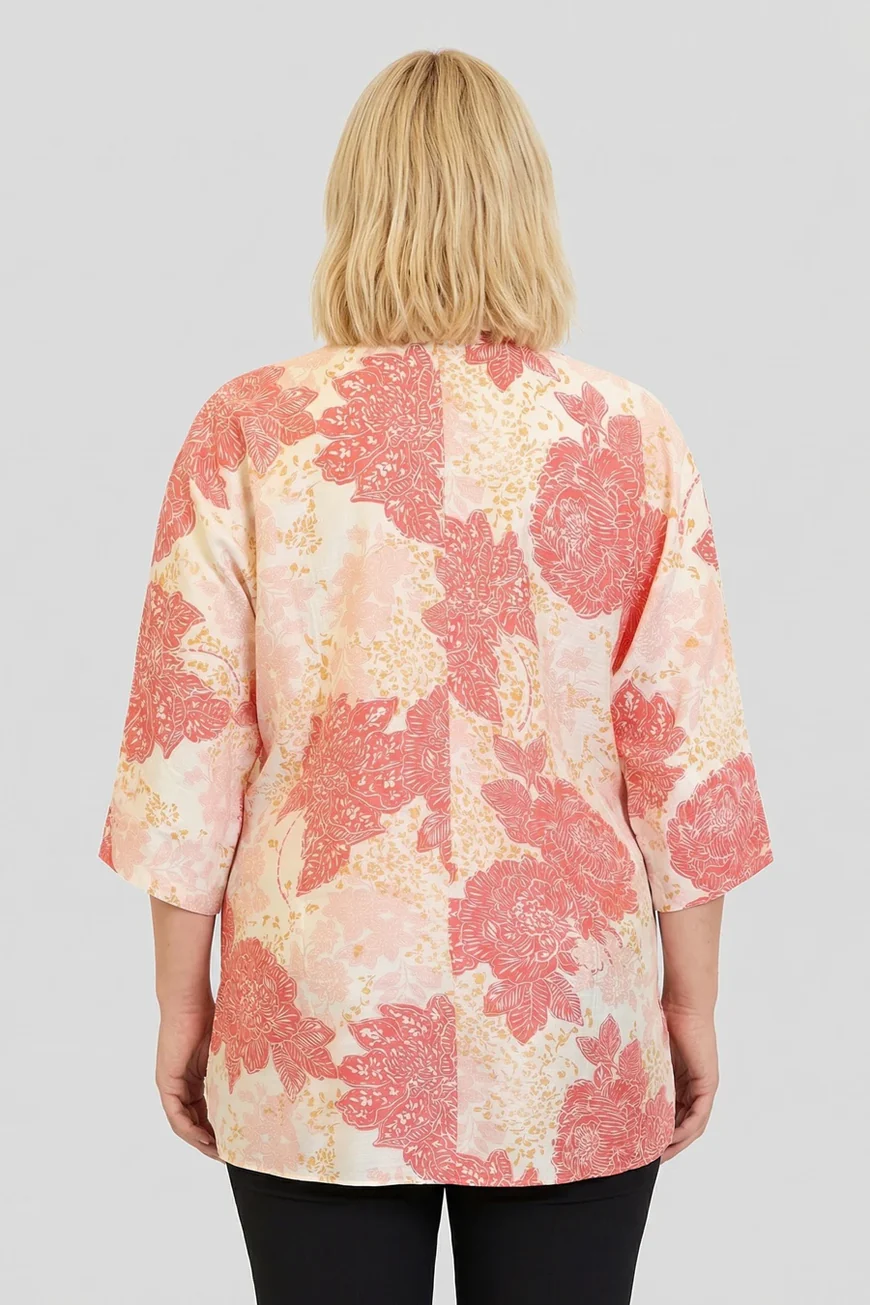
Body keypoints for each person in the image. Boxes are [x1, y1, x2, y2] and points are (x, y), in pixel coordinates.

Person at [99, 48, 773, 1305]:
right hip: (567, 1012)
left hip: (317, 1016)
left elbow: (186, 748)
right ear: (526, 203)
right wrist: (691, 1002)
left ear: (355, 205)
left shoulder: (252, 426)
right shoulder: (628, 434)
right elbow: (687, 752)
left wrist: (179, 1004)